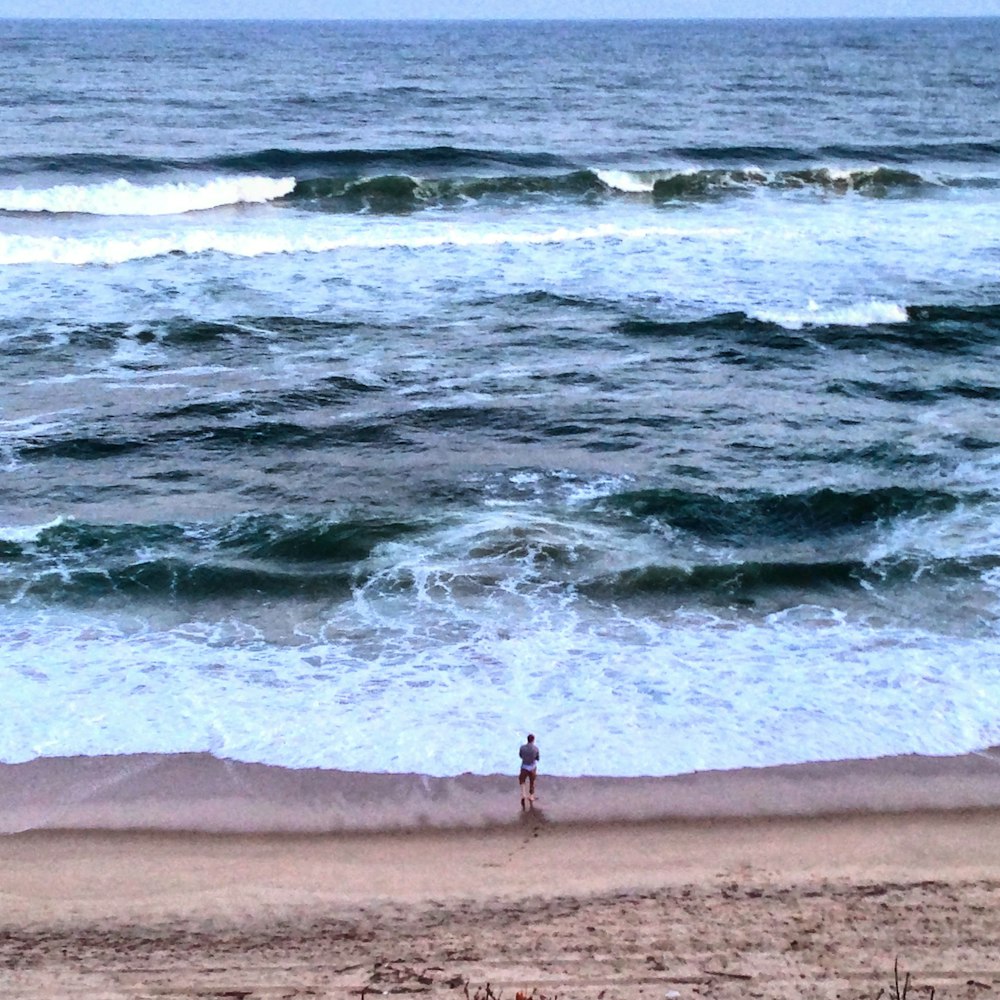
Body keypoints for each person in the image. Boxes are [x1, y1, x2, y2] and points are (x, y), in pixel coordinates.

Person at [518, 733, 539, 808]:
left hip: (524, 766)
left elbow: (520, 755)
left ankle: (523, 794)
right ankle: (531, 796)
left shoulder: (522, 747)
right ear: (533, 740)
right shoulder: (536, 748)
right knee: (532, 781)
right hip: (532, 767)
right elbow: (537, 758)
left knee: (522, 781)